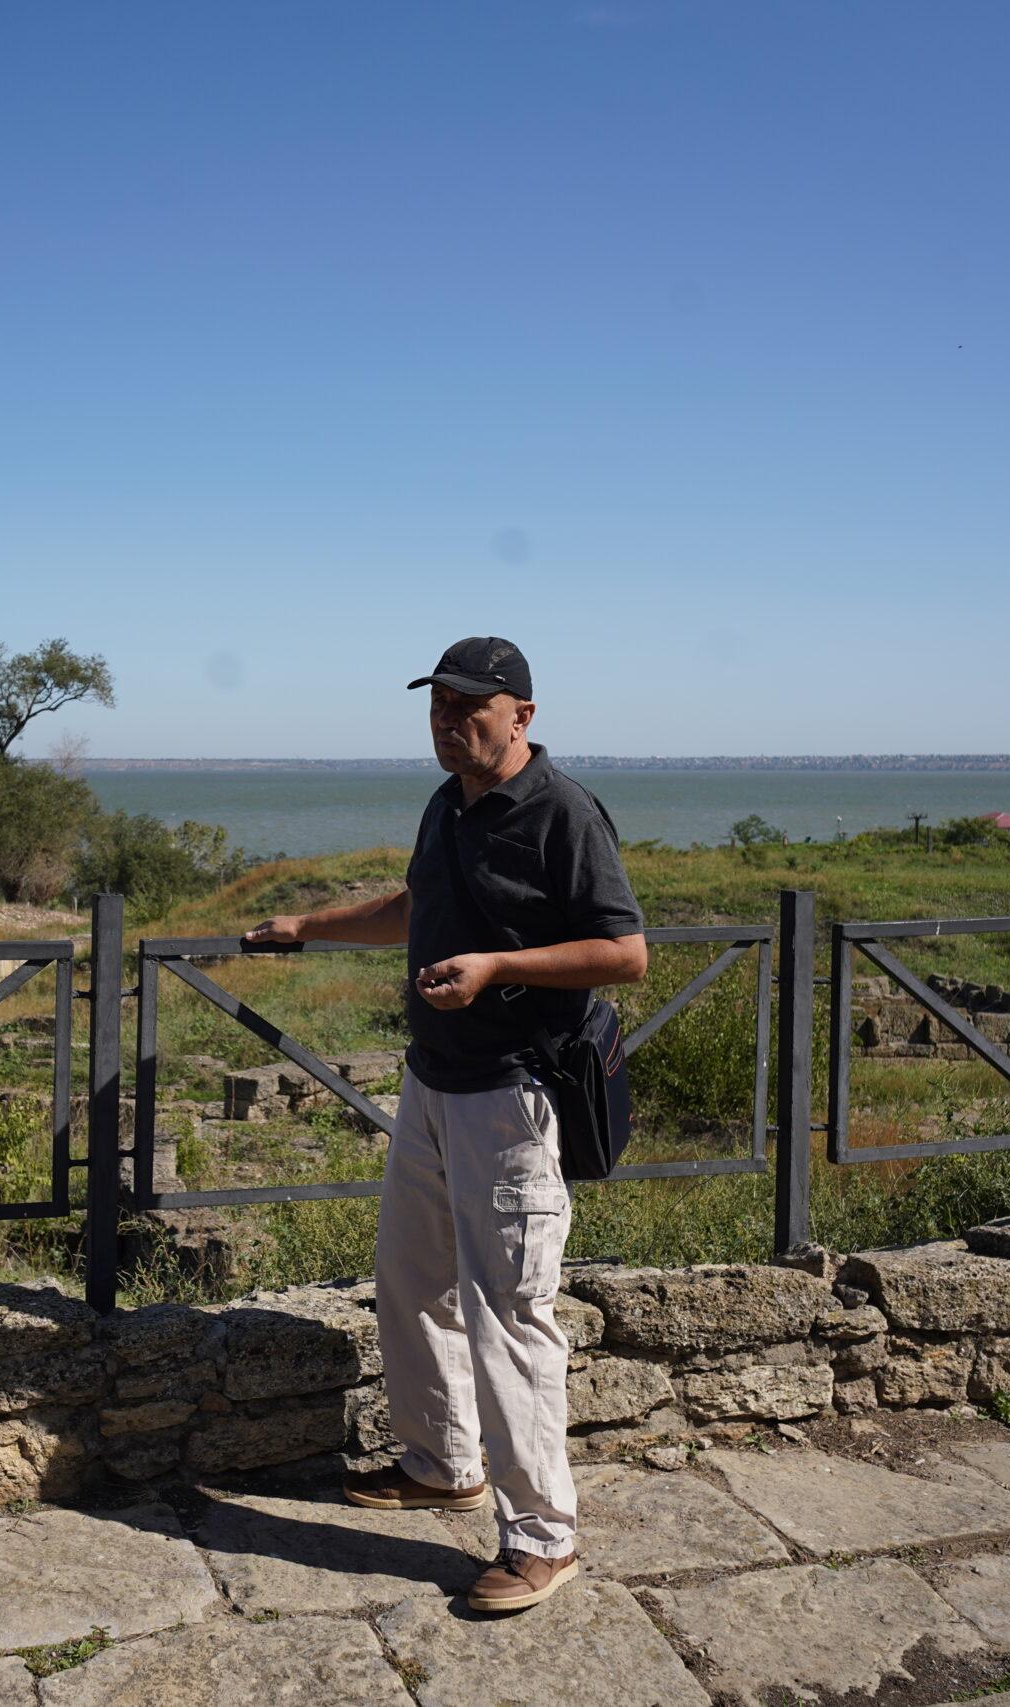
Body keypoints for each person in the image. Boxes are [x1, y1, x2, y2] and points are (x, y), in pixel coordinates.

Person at [246, 638, 646, 1613]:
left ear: (523, 715)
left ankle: (542, 1539)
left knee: (508, 1315)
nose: (447, 720)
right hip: (432, 1086)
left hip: (510, 1097)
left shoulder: (563, 812)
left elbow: (625, 953)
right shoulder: (446, 803)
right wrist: (306, 929)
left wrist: (495, 970)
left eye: (471, 705)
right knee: (411, 1284)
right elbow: (415, 906)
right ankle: (440, 1464)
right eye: (437, 704)